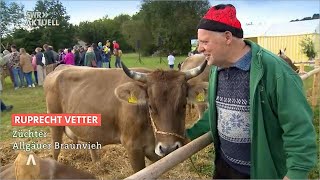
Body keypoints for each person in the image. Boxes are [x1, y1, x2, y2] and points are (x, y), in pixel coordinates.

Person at [186, 4, 317, 179]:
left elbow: (299, 129)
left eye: (204, 42)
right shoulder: (218, 69)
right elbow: (217, 112)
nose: (199, 49)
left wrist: (295, 174)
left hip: (261, 172)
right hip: (224, 167)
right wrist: (188, 135)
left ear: (227, 37)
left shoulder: (276, 72)